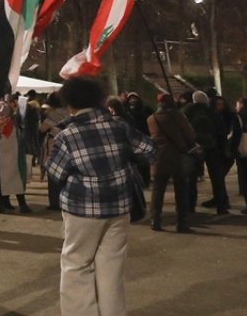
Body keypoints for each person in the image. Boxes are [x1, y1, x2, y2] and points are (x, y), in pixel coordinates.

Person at [46, 77, 157, 316]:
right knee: (112, 267)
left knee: (77, 264)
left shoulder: (68, 135)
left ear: (71, 104)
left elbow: (55, 174)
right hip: (119, 207)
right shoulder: (120, 126)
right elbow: (149, 151)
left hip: (82, 209)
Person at [147, 93, 197, 232]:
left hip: (158, 158)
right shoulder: (178, 116)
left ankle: (155, 220)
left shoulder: (151, 119)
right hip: (177, 156)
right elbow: (190, 134)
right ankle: (182, 223)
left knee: (158, 190)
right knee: (181, 190)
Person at [184, 90, 228, 214]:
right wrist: (222, 148)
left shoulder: (186, 112)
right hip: (212, 148)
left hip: (193, 149)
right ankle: (221, 206)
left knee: (191, 179)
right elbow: (221, 132)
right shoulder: (213, 113)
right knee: (217, 178)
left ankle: (190, 206)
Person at [0, 95, 31, 213]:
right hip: (14, 158)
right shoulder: (10, 124)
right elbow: (19, 140)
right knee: (17, 180)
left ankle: (3, 204)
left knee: (2, 182)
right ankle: (22, 205)